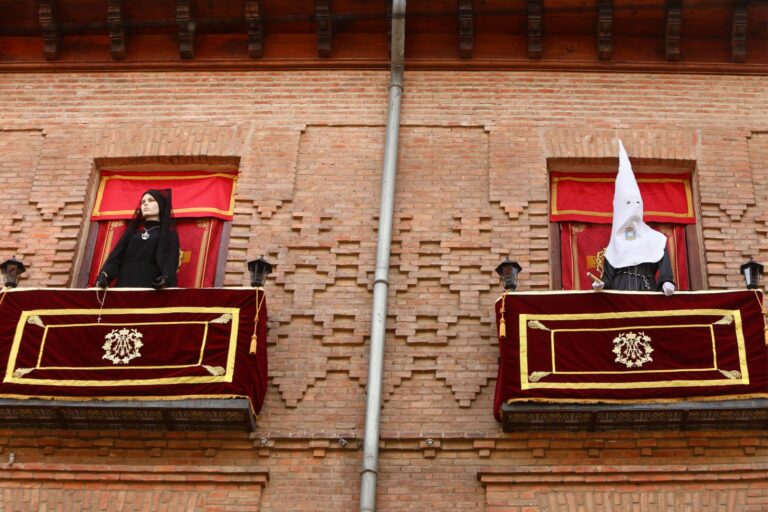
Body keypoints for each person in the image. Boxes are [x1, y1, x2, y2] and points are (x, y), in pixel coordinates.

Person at [592, 141, 675, 295]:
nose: (633, 207)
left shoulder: (656, 239)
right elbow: (608, 278)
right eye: (628, 203)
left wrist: (667, 282)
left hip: (647, 289)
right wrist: (601, 284)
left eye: (637, 203)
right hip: (620, 293)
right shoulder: (615, 243)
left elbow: (664, 271)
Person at [96, 189, 179, 289]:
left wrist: (166, 277)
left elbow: (170, 261)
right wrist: (105, 275)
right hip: (124, 284)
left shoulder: (169, 235)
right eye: (143, 202)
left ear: (160, 204)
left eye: (151, 200)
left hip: (151, 287)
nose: (145, 204)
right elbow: (117, 259)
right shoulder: (132, 235)